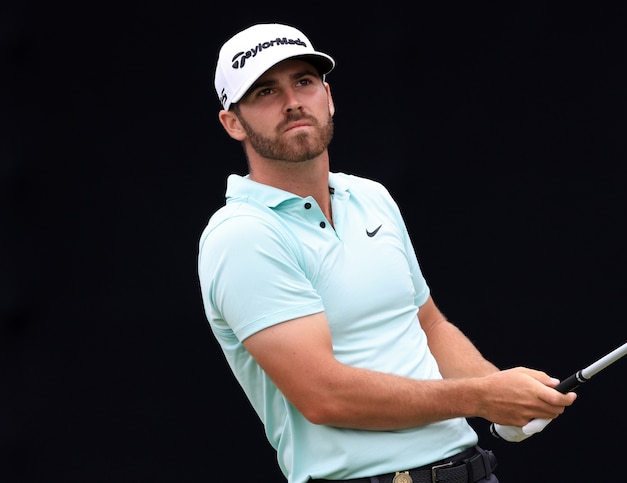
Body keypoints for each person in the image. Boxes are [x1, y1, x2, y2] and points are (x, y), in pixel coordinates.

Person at [198, 23, 577, 483]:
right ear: (232, 122)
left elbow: (429, 325)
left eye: (304, 81)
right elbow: (324, 396)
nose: (293, 101)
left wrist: (505, 401)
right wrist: (482, 396)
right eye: (264, 91)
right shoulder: (243, 235)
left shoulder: (370, 197)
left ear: (328, 95)